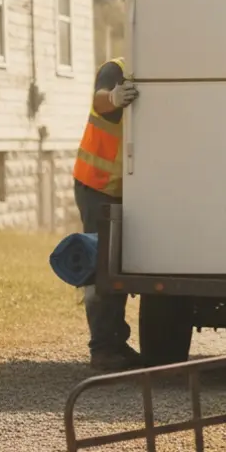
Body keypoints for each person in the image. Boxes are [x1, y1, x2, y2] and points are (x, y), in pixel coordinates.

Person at [72, 57, 144, 371]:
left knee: (119, 267)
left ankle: (116, 342)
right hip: (96, 185)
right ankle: (101, 349)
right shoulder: (116, 68)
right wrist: (114, 97)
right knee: (102, 267)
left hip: (124, 189)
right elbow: (100, 99)